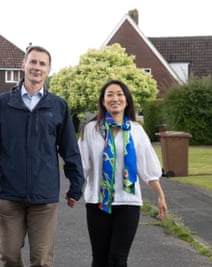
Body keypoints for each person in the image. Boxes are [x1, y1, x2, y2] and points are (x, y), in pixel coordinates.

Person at [0, 45, 84, 267]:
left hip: (44, 198)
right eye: (33, 62)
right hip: (10, 195)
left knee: (41, 260)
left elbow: (70, 151)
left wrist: (76, 185)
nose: (37, 67)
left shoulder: (58, 106)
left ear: (49, 70)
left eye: (42, 64)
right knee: (9, 256)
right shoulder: (4, 103)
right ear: (23, 66)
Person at [78, 79, 168, 267]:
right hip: (98, 202)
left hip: (128, 202)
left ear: (126, 100)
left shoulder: (136, 131)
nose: (115, 98)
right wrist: (73, 191)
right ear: (103, 101)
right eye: (109, 94)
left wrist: (160, 196)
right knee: (100, 259)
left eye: (119, 94)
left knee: (118, 259)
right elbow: (82, 166)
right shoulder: (90, 130)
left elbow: (148, 168)